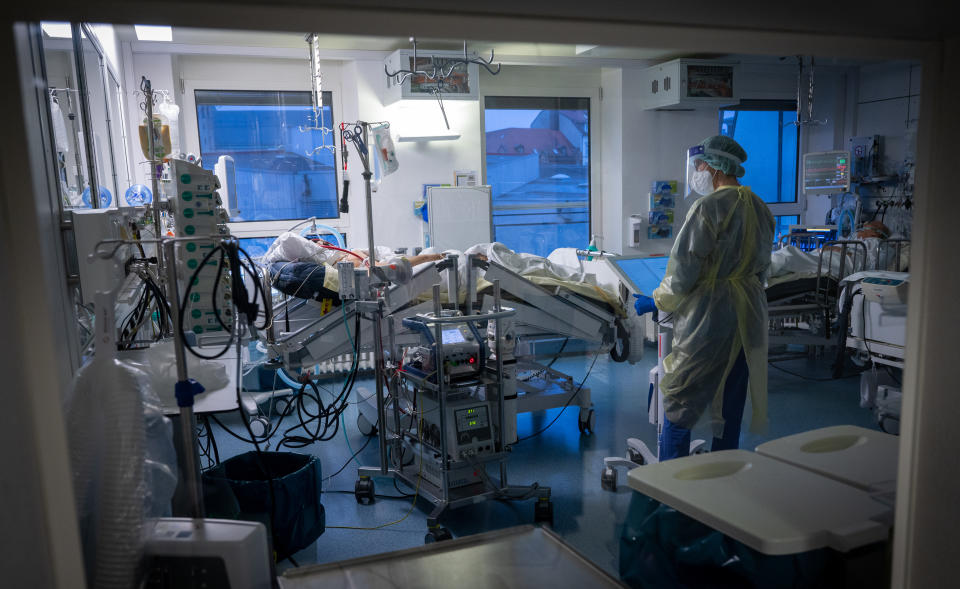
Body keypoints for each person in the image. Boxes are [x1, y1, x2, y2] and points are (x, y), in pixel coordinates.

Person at [637, 135, 774, 460]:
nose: (696, 170)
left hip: (709, 321)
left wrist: (656, 301)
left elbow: (683, 273)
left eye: (700, 164)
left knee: (679, 400)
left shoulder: (708, 208)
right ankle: (722, 479)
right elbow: (763, 268)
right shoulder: (759, 207)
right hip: (749, 318)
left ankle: (672, 488)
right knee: (731, 402)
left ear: (714, 167)